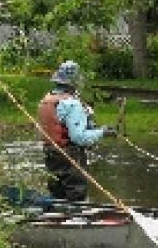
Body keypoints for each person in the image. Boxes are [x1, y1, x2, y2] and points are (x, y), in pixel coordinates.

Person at [37, 60, 116, 201]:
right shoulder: (71, 103)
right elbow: (78, 137)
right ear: (74, 82)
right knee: (76, 193)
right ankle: (76, 219)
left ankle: (56, 218)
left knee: (57, 192)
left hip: (51, 153)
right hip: (69, 155)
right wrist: (102, 132)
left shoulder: (46, 99)